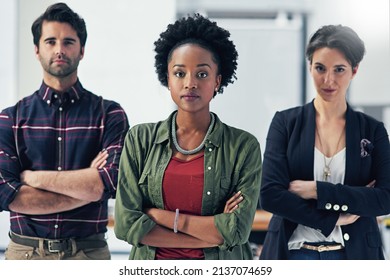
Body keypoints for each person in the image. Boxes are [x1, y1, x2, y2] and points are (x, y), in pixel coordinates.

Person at [114, 14, 262, 260]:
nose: (190, 83)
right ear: (168, 79)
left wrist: (162, 217)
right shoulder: (140, 139)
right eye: (180, 73)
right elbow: (126, 224)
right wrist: (212, 231)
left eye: (202, 74)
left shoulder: (243, 146)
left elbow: (236, 231)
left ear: (217, 81)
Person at [0, 3, 129, 260]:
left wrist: (32, 179)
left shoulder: (110, 115)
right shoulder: (10, 119)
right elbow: (8, 195)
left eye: (68, 42)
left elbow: (110, 184)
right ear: (37, 50)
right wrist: (87, 184)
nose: (59, 49)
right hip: (26, 255)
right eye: (50, 41)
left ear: (82, 50)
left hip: (88, 254)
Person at [259, 24, 390, 260]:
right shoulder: (285, 123)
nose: (328, 80)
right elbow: (270, 194)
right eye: (320, 68)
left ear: (354, 70)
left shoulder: (373, 130)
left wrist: (316, 190)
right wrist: (332, 218)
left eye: (339, 69)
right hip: (293, 254)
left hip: (355, 256)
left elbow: (385, 199)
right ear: (310, 67)